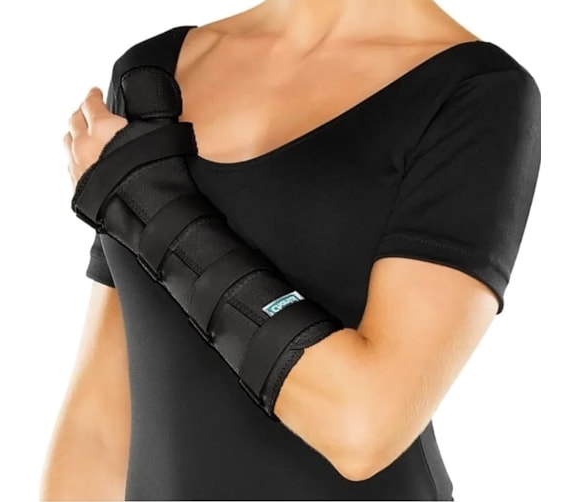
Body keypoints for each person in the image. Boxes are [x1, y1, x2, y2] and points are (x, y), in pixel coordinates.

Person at [41, 0, 541, 500]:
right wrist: (145, 204)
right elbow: (100, 422)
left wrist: (153, 208)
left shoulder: (477, 94)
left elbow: (363, 425)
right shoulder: (151, 80)